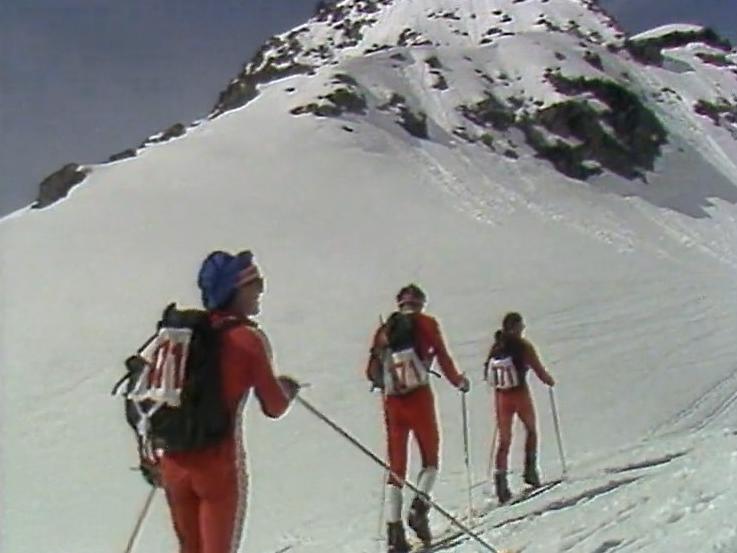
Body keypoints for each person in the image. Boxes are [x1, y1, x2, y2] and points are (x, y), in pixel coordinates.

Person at [159, 250, 300, 553]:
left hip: (173, 460)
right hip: (217, 467)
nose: (260, 291)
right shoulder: (247, 340)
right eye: (255, 284)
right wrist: (287, 388)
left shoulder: (187, 333)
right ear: (234, 291)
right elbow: (274, 406)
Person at [365, 284, 470, 552]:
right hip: (420, 397)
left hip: (392, 402)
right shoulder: (426, 324)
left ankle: (393, 532)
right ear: (420, 303)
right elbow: (443, 357)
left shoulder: (384, 329)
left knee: (396, 466)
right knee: (430, 458)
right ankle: (419, 509)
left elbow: (371, 372)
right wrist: (459, 382)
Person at [484, 312, 555, 504]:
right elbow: (538, 368)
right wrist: (548, 380)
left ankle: (501, 484)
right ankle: (530, 472)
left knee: (504, 440)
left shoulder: (496, 347)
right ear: (515, 327)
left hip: (501, 397)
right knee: (531, 429)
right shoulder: (523, 346)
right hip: (519, 393)